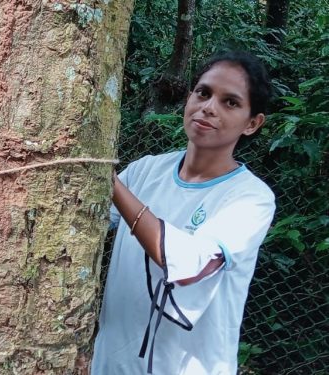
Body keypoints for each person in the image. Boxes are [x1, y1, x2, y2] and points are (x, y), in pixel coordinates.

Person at [91, 51, 276, 374]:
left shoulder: (251, 198)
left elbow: (190, 264)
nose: (209, 107)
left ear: (252, 123)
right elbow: (85, 219)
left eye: (230, 102)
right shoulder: (145, 170)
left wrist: (109, 181)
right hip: (111, 365)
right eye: (203, 93)